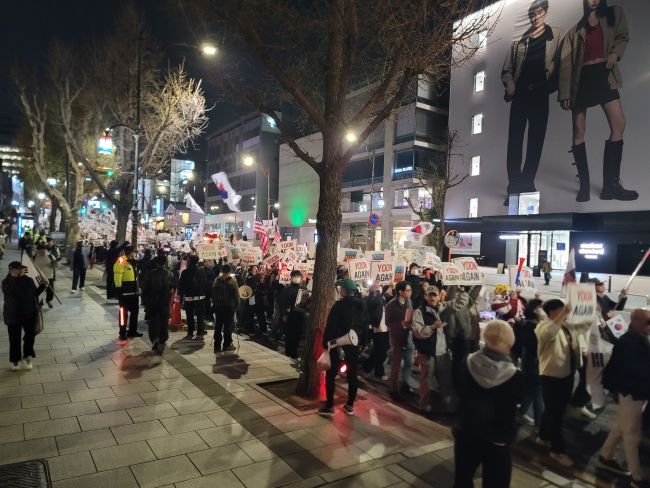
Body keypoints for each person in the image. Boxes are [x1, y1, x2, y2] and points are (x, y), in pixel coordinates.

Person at [559, 0, 636, 202]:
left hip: (604, 74)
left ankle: (611, 186)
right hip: (582, 79)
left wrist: (615, 54)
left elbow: (622, 36)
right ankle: (584, 187)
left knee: (619, 125)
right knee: (579, 130)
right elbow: (565, 64)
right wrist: (565, 94)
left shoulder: (613, 14)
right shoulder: (575, 31)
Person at [501, 0, 562, 203]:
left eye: (539, 13)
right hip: (520, 95)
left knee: (536, 141)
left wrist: (553, 84)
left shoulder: (556, 36)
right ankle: (513, 187)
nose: (535, 18)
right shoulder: (518, 42)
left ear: (545, 12)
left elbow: (562, 62)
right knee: (514, 142)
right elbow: (506, 70)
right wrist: (510, 86)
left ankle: (527, 183)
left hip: (540, 94)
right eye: (532, 14)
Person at [453, 320, 525, 488]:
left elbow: (459, 388)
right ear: (508, 342)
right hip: (497, 438)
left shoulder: (467, 362)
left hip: (466, 431)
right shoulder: (515, 375)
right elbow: (519, 400)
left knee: (462, 479)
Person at [599, 308, 650, 487]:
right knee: (632, 435)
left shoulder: (637, 339)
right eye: (648, 322)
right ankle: (636, 476)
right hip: (631, 394)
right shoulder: (629, 342)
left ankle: (605, 456)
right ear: (635, 321)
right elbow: (636, 372)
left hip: (632, 394)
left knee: (622, 427)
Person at [535, 299, 581, 467]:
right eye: (561, 310)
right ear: (552, 312)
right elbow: (549, 333)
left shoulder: (565, 326)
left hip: (566, 374)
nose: (565, 312)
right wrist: (565, 313)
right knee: (556, 415)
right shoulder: (543, 326)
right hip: (551, 376)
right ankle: (557, 451)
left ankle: (543, 436)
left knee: (553, 410)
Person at [319, 278, 367, 416]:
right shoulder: (361, 304)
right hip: (354, 345)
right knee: (352, 375)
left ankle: (329, 405)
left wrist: (326, 343)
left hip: (338, 344)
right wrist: (362, 343)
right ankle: (350, 405)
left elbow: (331, 326)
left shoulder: (339, 305)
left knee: (331, 375)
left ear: (344, 290)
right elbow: (365, 325)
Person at [412, 285, 454, 414]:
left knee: (445, 380)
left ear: (439, 296)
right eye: (430, 295)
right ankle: (424, 406)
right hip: (427, 352)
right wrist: (432, 327)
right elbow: (418, 332)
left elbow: (458, 303)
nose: (432, 298)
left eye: (434, 295)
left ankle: (448, 406)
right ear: (426, 296)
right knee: (426, 381)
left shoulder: (444, 309)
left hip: (443, 352)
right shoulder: (419, 312)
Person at [2, 261, 46, 371]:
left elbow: (34, 293)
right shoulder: (6, 281)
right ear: (12, 269)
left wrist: (43, 285)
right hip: (13, 315)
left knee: (30, 336)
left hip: (29, 314)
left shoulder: (28, 280)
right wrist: (13, 278)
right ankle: (15, 360)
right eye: (20, 268)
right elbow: (7, 291)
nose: (22, 270)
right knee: (14, 339)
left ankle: (27, 357)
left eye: (22, 268)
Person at [514, 298, 545, 426]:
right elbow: (535, 347)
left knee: (530, 391)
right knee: (537, 392)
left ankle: (519, 414)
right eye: (541, 308)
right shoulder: (532, 327)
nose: (543, 310)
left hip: (531, 363)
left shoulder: (530, 324)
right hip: (534, 364)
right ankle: (539, 424)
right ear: (534, 310)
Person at [384, 280, 416, 399]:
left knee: (409, 363)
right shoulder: (391, 305)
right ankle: (393, 389)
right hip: (397, 339)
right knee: (396, 366)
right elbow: (388, 322)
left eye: (410, 290)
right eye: (408, 290)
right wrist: (401, 324)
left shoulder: (409, 302)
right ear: (400, 292)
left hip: (409, 338)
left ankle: (405, 385)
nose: (410, 292)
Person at [140, 255, 173, 353]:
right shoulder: (170, 274)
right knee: (164, 321)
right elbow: (173, 287)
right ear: (165, 263)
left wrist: (144, 301)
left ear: (157, 263)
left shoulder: (150, 274)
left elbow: (144, 289)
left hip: (152, 302)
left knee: (153, 321)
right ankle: (163, 338)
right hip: (164, 302)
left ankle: (155, 338)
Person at [278, 270, 308, 359]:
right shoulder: (286, 289)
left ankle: (294, 352)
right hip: (290, 314)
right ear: (291, 278)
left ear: (301, 278)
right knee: (289, 334)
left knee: (298, 334)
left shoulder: (304, 289)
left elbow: (306, 301)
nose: (296, 278)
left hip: (300, 315)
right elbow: (282, 303)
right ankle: (288, 352)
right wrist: (283, 314)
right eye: (295, 276)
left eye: (298, 276)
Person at [362, 282, 389, 380]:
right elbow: (373, 303)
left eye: (378, 283)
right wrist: (380, 292)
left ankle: (369, 367)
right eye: (375, 284)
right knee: (380, 350)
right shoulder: (369, 297)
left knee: (380, 350)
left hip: (386, 327)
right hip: (378, 327)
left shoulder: (382, 296)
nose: (378, 284)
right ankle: (376, 370)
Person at [113, 246, 142, 340]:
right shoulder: (121, 260)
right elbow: (117, 276)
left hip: (134, 293)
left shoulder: (133, 262)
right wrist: (118, 291)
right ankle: (122, 333)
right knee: (123, 313)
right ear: (131, 252)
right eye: (134, 252)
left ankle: (132, 331)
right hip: (124, 293)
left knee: (135, 312)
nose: (135, 254)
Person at [178, 254, 208, 340]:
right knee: (200, 316)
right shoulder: (201, 271)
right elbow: (204, 284)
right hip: (200, 297)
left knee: (189, 316)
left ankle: (190, 333)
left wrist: (181, 295)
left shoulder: (185, 272)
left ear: (189, 261)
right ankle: (200, 333)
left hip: (188, 297)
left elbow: (181, 285)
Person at [212, 264, 240, 353]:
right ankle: (227, 345)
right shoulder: (233, 281)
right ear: (230, 271)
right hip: (229, 307)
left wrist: (215, 304)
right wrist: (237, 306)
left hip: (219, 307)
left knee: (218, 325)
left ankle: (217, 345)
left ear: (222, 271)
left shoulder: (217, 280)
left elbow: (213, 294)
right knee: (228, 326)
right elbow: (237, 295)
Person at [33, 244, 56, 308]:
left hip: (49, 276)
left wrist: (54, 264)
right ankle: (40, 304)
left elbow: (55, 266)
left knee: (50, 291)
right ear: (37, 250)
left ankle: (48, 301)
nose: (42, 252)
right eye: (40, 250)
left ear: (45, 250)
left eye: (43, 250)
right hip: (38, 278)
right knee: (39, 291)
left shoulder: (50, 256)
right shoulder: (34, 257)